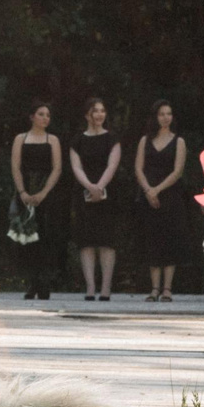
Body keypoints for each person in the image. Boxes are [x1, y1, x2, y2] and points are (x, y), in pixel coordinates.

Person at [8, 101, 68, 300]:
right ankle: (32, 282)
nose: (45, 118)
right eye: (41, 114)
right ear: (32, 116)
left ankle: (44, 282)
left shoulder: (53, 140)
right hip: (25, 190)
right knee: (27, 238)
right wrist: (23, 192)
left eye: (48, 115)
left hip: (47, 193)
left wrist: (44, 192)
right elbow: (15, 166)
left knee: (46, 237)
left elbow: (57, 168)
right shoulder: (20, 139)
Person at [134, 101, 192, 303]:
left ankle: (167, 289)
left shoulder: (179, 142)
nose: (166, 117)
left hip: (170, 196)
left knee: (169, 240)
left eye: (169, 113)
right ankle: (154, 288)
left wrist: (157, 190)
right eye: (161, 114)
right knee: (152, 240)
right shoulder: (145, 140)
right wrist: (148, 190)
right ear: (155, 116)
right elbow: (138, 168)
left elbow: (177, 171)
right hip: (148, 195)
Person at [71, 98, 125, 301]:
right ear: (87, 114)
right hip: (84, 192)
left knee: (106, 242)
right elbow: (76, 167)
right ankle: (90, 287)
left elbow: (112, 165)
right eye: (96, 111)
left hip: (108, 193)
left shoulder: (112, 138)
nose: (100, 114)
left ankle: (106, 287)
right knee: (86, 242)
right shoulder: (78, 140)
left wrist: (100, 187)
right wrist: (89, 186)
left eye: (103, 111)